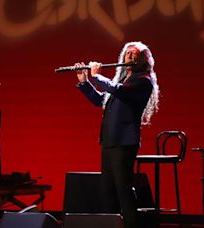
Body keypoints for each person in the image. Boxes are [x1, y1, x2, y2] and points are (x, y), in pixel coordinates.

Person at [75, 41, 159, 228]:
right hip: (109, 140)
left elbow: (119, 91)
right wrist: (85, 82)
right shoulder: (121, 81)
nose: (130, 55)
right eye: (127, 52)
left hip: (124, 141)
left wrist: (98, 76)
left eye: (134, 53)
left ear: (143, 59)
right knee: (108, 189)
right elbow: (100, 101)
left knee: (123, 189)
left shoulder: (143, 81)